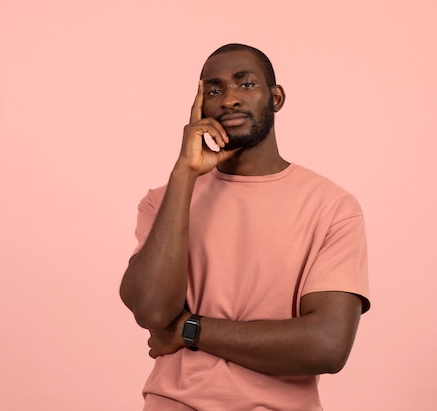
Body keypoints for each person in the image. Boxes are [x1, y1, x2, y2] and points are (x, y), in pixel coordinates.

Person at [119, 43, 370, 411]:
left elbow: (327, 345)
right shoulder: (163, 200)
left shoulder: (332, 207)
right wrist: (185, 174)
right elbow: (152, 313)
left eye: (246, 84)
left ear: (276, 97)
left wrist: (189, 329)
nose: (229, 100)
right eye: (214, 90)